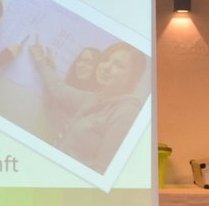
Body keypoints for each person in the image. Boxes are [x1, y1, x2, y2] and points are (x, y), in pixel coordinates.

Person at [32, 40, 148, 172]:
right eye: (106, 60)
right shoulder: (93, 98)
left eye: (118, 65)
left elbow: (102, 171)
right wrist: (41, 62)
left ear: (133, 78)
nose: (106, 67)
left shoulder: (127, 112)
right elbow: (60, 90)